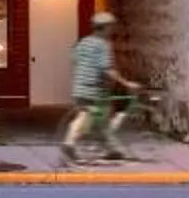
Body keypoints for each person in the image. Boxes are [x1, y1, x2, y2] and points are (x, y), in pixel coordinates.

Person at [60, 13, 140, 164]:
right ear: (106, 27)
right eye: (111, 27)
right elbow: (107, 69)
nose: (112, 30)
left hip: (80, 86)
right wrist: (127, 83)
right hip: (92, 89)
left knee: (102, 119)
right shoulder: (103, 44)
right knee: (85, 116)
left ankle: (112, 149)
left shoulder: (83, 42)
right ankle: (68, 145)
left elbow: (74, 59)